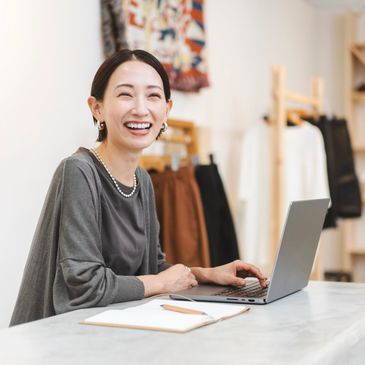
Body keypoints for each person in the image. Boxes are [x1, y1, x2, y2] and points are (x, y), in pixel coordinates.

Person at [10, 49, 267, 326]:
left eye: (153, 96)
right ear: (97, 108)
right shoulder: (79, 170)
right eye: (125, 94)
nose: (141, 109)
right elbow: (85, 286)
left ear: (166, 110)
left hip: (106, 334)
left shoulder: (141, 180)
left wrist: (206, 274)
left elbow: (152, 269)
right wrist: (160, 281)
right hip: (55, 340)